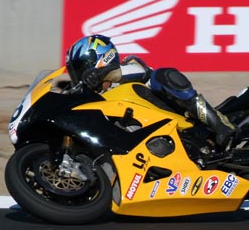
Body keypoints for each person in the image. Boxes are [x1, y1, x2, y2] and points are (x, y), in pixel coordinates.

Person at [64, 34, 239, 149]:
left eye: (81, 70)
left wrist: (105, 74)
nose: (79, 77)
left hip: (184, 123)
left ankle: (220, 124)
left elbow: (143, 71)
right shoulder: (93, 100)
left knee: (162, 76)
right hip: (145, 149)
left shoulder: (130, 67)